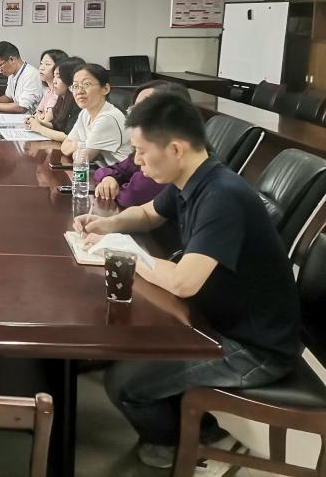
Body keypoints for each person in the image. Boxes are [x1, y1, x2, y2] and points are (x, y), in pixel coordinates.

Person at [75, 93, 300, 469]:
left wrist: (125, 254)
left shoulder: (222, 196)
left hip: (255, 347)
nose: (137, 161)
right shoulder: (191, 179)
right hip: (218, 318)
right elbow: (148, 214)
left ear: (176, 149)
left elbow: (183, 283)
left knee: (125, 384)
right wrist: (109, 225)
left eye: (142, 151)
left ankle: (193, 444)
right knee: (129, 347)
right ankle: (197, 427)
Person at [93, 81, 190, 208]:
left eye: (144, 108)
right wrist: (108, 179)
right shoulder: (144, 145)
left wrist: (114, 190)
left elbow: (132, 197)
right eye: (134, 109)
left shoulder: (168, 153)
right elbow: (115, 169)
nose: (137, 160)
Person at [60, 63, 134, 166]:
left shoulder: (108, 118)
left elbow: (82, 159)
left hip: (123, 173)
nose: (79, 91)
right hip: (104, 170)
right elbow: (64, 147)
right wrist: (83, 145)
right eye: (75, 86)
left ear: (105, 89)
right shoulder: (85, 113)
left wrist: (79, 146)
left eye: (87, 84)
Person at [25, 57, 83, 142]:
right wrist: (38, 122)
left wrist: (39, 128)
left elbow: (68, 137)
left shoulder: (79, 103)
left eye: (59, 77)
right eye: (54, 76)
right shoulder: (62, 99)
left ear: (71, 80)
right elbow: (57, 126)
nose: (54, 81)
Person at [0, 41, 42, 114]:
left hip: (31, 119)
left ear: (11, 60)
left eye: (0, 65)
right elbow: (8, 98)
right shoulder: (12, 74)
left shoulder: (31, 75)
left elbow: (22, 107)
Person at [31, 49, 68, 119]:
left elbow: (47, 118)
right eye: (41, 63)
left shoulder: (59, 93)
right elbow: (37, 112)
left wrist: (39, 116)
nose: (41, 68)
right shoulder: (48, 90)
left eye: (47, 64)